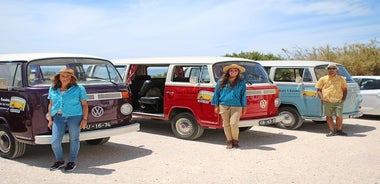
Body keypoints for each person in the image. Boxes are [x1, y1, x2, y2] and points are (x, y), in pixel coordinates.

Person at [47, 68, 89, 171]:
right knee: (55, 141)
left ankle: (71, 162)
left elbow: (84, 105)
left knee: (74, 139)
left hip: (75, 117)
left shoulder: (79, 89)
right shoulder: (53, 88)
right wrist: (50, 119)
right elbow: (51, 104)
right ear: (59, 77)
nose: (65, 78)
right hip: (58, 117)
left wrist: (85, 119)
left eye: (67, 76)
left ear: (72, 77)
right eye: (62, 76)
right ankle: (60, 161)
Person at [212, 64, 247, 149]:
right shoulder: (221, 81)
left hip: (237, 106)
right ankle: (229, 141)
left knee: (234, 123)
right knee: (226, 124)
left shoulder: (241, 83)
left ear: (238, 72)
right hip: (223, 105)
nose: (233, 72)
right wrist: (216, 105)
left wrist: (244, 107)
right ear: (228, 71)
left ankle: (235, 140)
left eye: (235, 70)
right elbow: (216, 94)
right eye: (231, 70)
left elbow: (243, 95)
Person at [315, 63, 348, 137]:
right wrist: (322, 98)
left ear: (336, 70)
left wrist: (343, 98)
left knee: (339, 116)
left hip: (338, 101)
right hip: (327, 101)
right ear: (327, 70)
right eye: (329, 68)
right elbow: (319, 90)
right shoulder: (322, 79)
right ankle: (331, 131)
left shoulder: (341, 79)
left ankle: (339, 130)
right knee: (328, 116)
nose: (331, 70)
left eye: (333, 68)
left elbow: (345, 89)